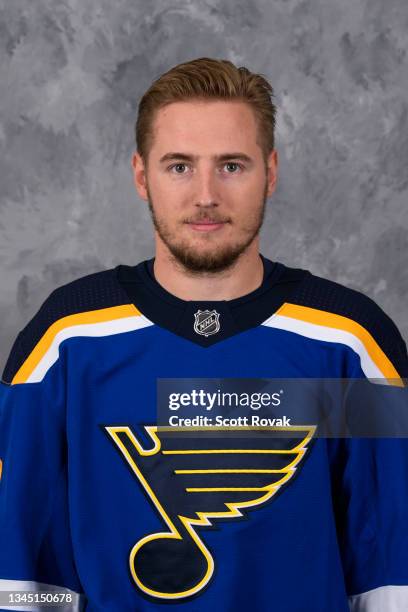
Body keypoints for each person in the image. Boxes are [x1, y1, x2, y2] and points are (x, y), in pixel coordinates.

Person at [0, 57, 407, 612]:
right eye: (179, 166)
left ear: (272, 170)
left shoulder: (349, 341)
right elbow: (24, 576)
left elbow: (389, 574)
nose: (207, 194)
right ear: (142, 175)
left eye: (232, 166)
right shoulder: (66, 339)